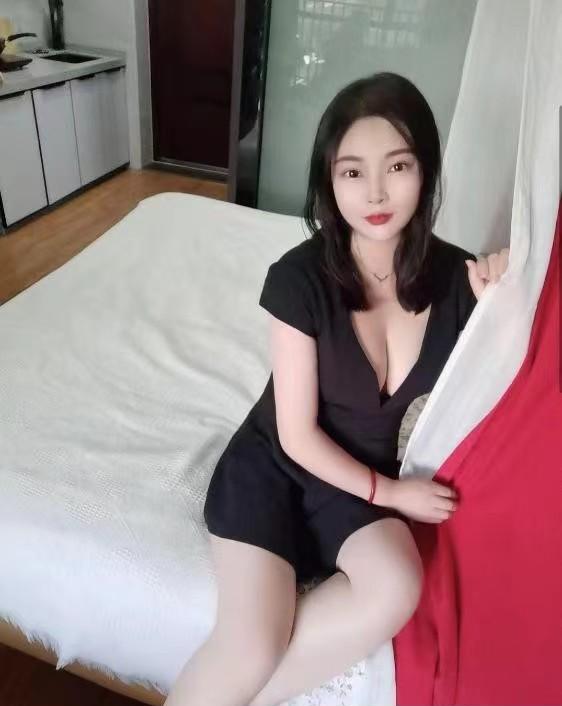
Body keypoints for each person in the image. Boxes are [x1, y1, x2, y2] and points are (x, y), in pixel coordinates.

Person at [164, 72, 509, 706]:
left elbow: (501, 395)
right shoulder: (298, 279)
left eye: (397, 166)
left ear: (426, 170)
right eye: (352, 172)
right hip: (276, 467)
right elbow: (296, 435)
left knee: (397, 583)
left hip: (349, 488)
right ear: (329, 182)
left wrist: (499, 309)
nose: (375, 192)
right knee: (252, 644)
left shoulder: (461, 282)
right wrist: (394, 494)